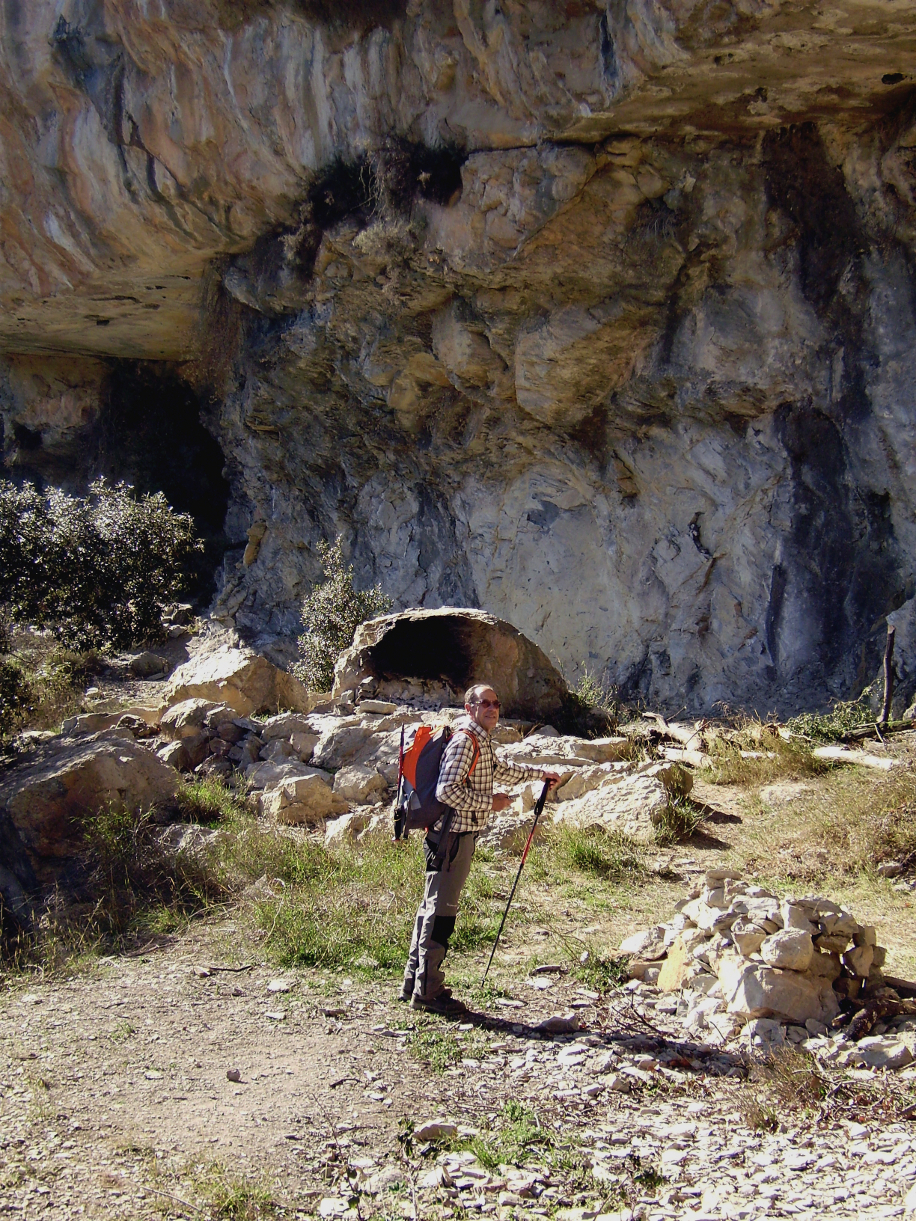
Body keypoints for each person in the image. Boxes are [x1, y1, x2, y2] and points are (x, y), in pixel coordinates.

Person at [401, 683, 561, 1015]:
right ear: (469, 707)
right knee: (441, 914)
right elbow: (447, 791)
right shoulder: (465, 742)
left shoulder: (479, 740)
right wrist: (490, 803)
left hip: (450, 838)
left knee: (431, 908)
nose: (492, 708)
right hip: (452, 840)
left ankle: (413, 983)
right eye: (484, 703)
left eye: (496, 703)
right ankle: (428, 992)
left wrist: (539, 774)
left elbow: (501, 770)